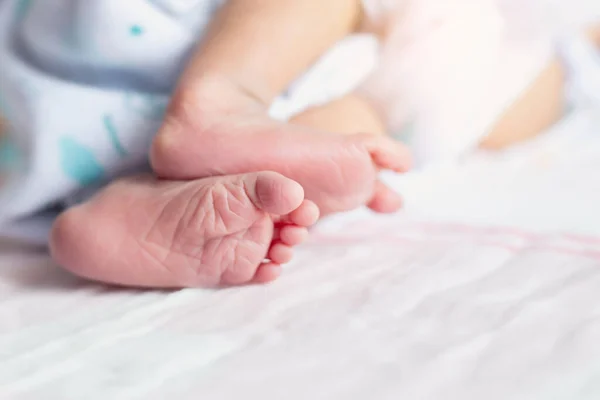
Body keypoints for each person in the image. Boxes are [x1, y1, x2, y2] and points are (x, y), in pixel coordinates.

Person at [0, 0, 598, 288]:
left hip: (42, 118)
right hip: (206, 42)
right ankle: (217, 106)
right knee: (380, 124)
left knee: (367, 126)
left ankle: (145, 193)